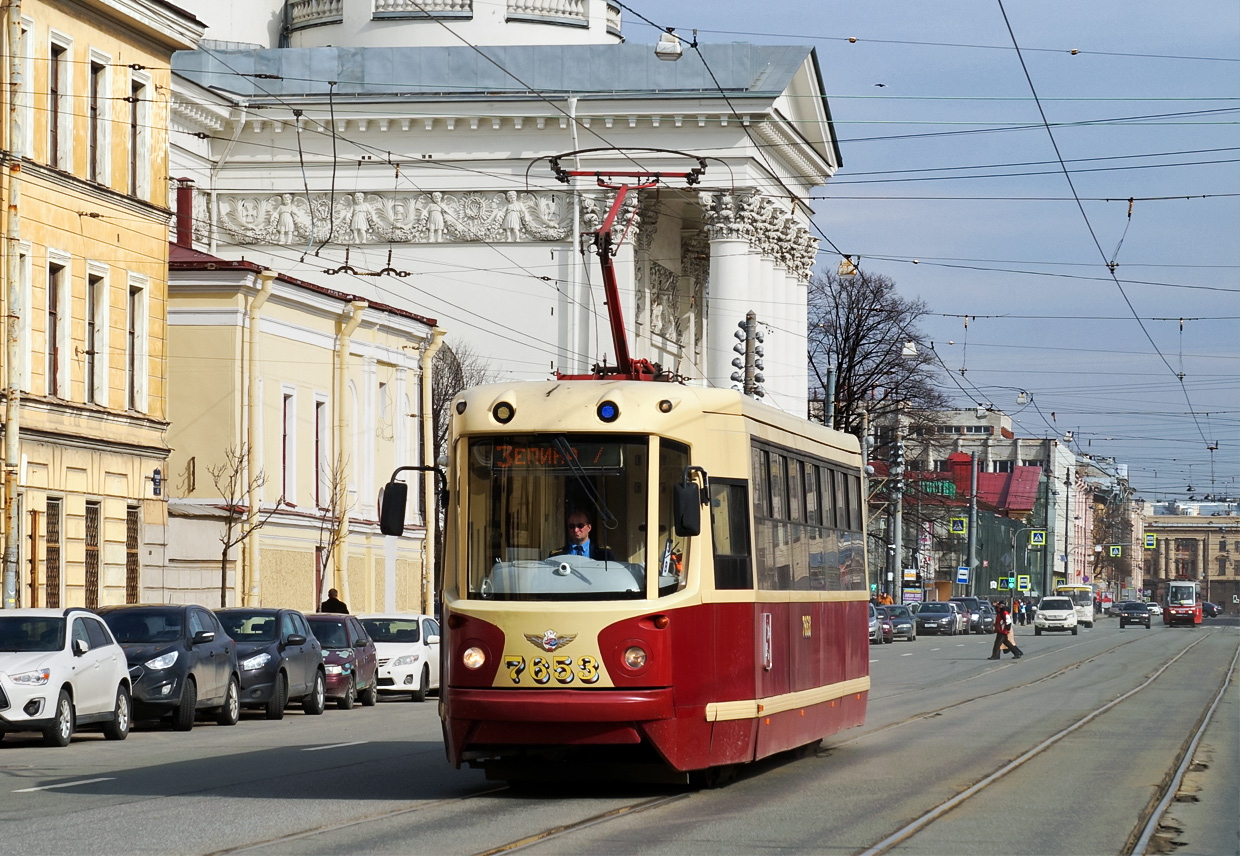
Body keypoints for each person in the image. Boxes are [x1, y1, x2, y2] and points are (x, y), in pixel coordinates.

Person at [551, 510, 616, 561]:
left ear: (589, 528)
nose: (576, 530)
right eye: (571, 526)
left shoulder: (604, 553)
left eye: (580, 526)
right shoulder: (556, 555)